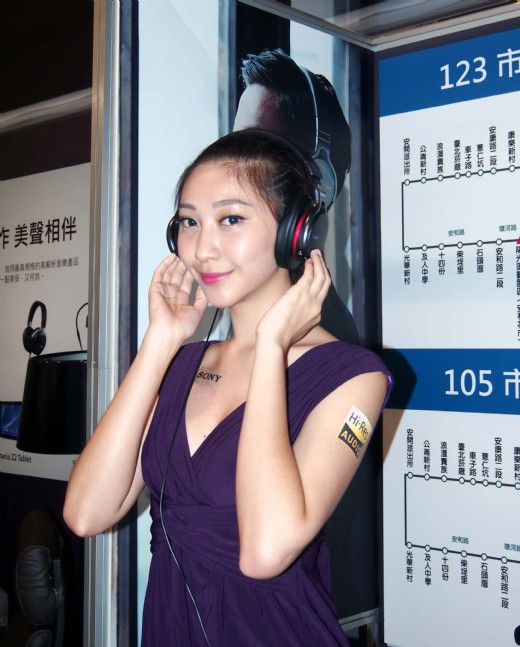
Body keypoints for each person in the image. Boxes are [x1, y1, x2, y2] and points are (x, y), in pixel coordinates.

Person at [64, 129, 392, 646]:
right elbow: (87, 514)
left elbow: (265, 552)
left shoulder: (353, 376)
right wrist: (161, 341)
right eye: (189, 222)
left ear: (295, 233)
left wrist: (271, 347)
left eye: (231, 219)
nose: (202, 248)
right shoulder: (182, 363)